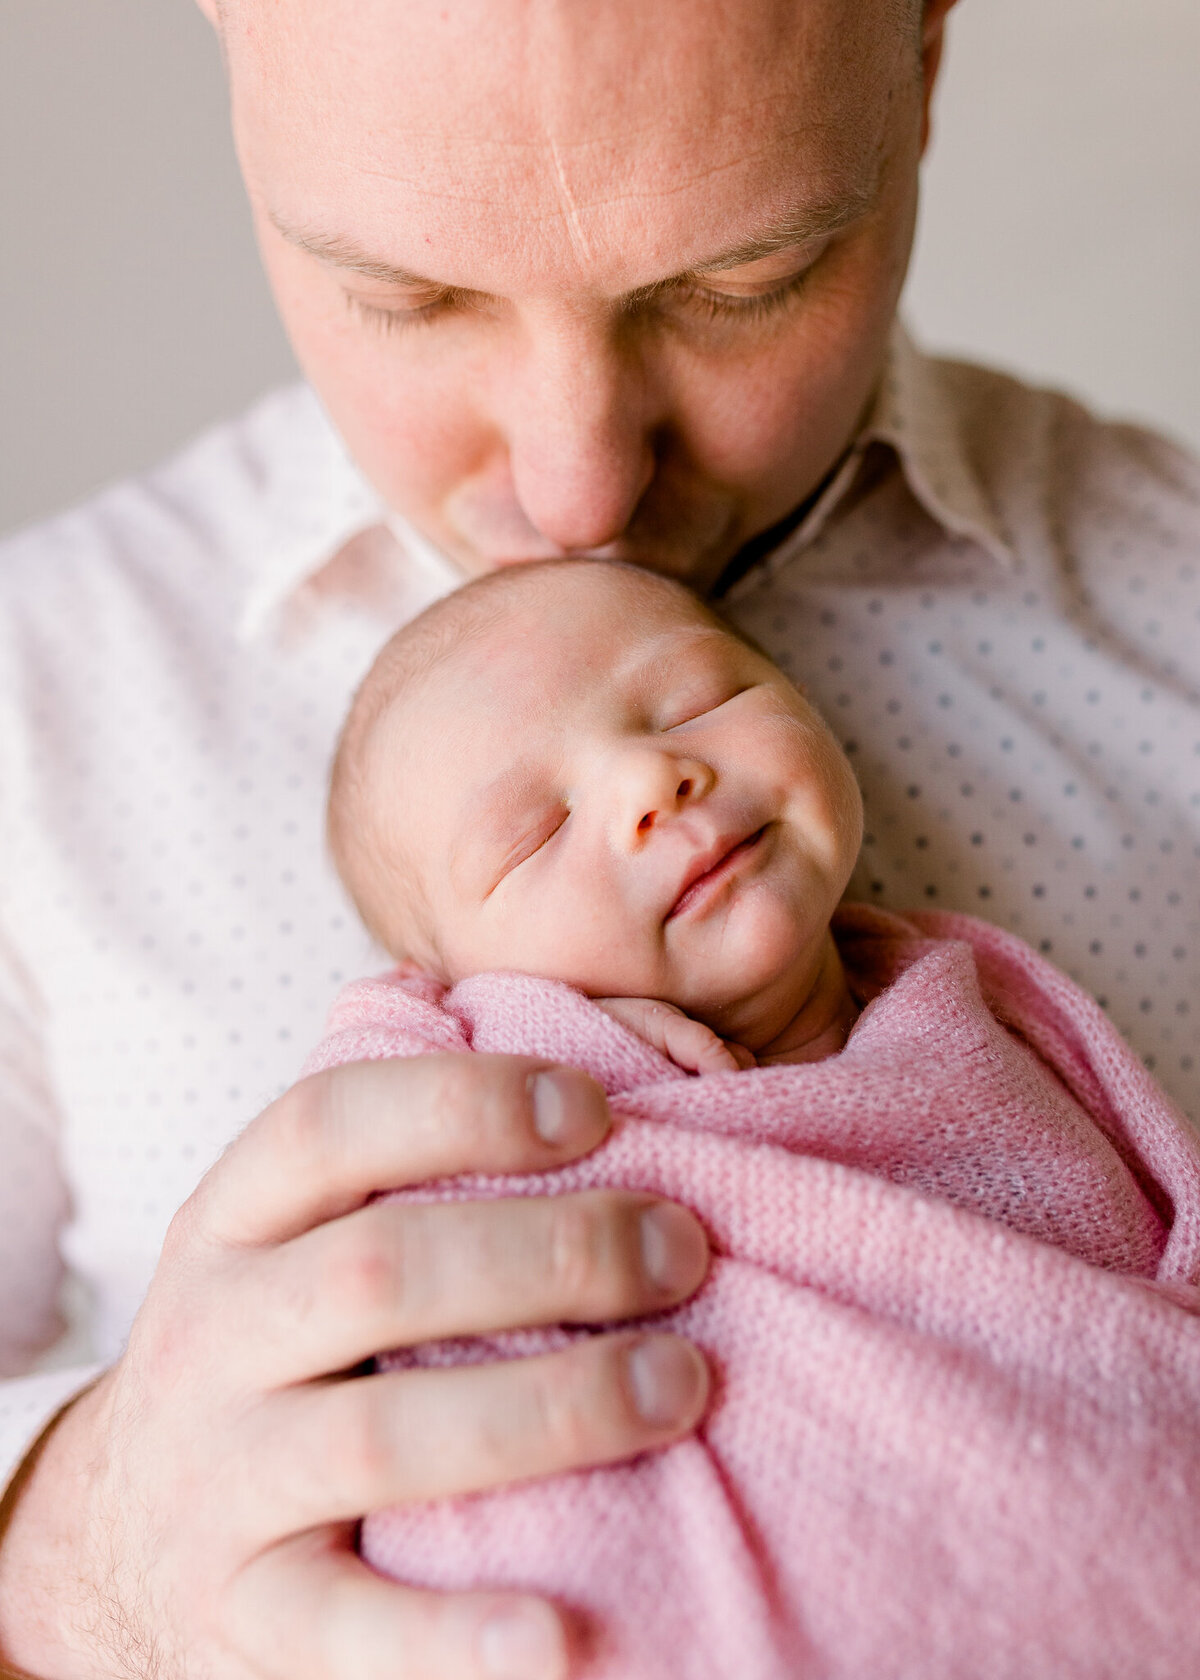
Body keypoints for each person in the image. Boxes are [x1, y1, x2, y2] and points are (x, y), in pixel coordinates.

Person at [0, 1, 1198, 1676]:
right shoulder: (36, 705)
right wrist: (65, 1554)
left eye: (740, 287)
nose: (578, 494)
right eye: (407, 296)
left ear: (925, 52)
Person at [304, 555, 1200, 1677]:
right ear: (452, 983)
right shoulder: (514, 1115)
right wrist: (508, 1025)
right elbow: (362, 1108)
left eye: (697, 703)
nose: (651, 778)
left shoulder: (973, 999)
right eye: (533, 835)